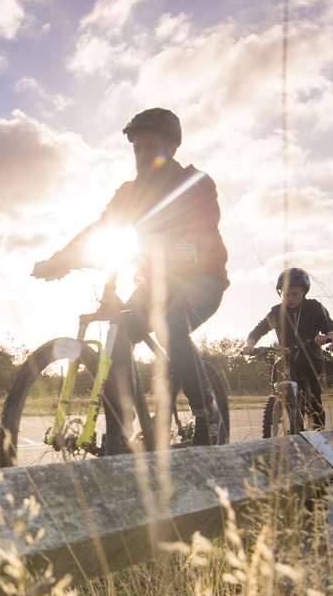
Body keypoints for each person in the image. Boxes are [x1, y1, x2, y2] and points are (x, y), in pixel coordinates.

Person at [32, 107, 228, 451]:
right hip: (154, 286)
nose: (141, 156)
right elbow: (100, 228)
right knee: (119, 332)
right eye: (136, 149)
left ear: (172, 147)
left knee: (169, 322)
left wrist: (185, 250)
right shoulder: (129, 193)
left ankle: (207, 412)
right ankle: (123, 426)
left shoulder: (195, 184)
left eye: (150, 148)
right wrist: (61, 259)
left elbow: (201, 232)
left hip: (201, 281)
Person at [241, 267, 333, 427]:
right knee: (278, 368)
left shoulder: (314, 308)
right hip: (287, 356)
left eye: (294, 294)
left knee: (313, 397)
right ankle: (279, 404)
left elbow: (330, 329)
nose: (289, 298)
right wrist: (249, 345)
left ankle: (318, 431)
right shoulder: (277, 311)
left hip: (310, 356)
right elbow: (258, 330)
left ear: (304, 293)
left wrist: (329, 339)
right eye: (285, 294)